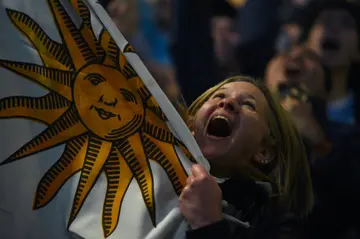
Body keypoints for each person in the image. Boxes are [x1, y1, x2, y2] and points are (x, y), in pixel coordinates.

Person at [179, 76, 314, 239]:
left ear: (263, 152)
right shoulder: (150, 176)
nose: (227, 102)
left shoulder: (277, 225)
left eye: (248, 105)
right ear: (191, 127)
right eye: (219, 96)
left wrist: (207, 223)